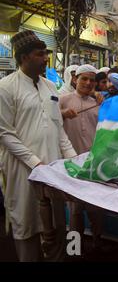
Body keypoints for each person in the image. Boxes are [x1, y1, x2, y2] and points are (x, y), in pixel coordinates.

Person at [0, 30, 77, 261]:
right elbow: (5, 133)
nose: (46, 58)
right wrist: (36, 163)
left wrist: (73, 160)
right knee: (26, 223)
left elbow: (58, 127)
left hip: (52, 169)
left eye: (46, 53)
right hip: (23, 170)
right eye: (40, 54)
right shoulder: (6, 87)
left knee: (55, 223)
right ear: (23, 57)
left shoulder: (50, 87)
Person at [59, 64, 104, 253]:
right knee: (75, 210)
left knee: (96, 207)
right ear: (75, 79)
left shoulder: (98, 102)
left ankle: (97, 243)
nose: (87, 83)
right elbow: (47, 120)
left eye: (91, 80)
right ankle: (73, 248)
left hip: (93, 162)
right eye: (83, 78)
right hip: (71, 163)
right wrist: (61, 114)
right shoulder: (62, 100)